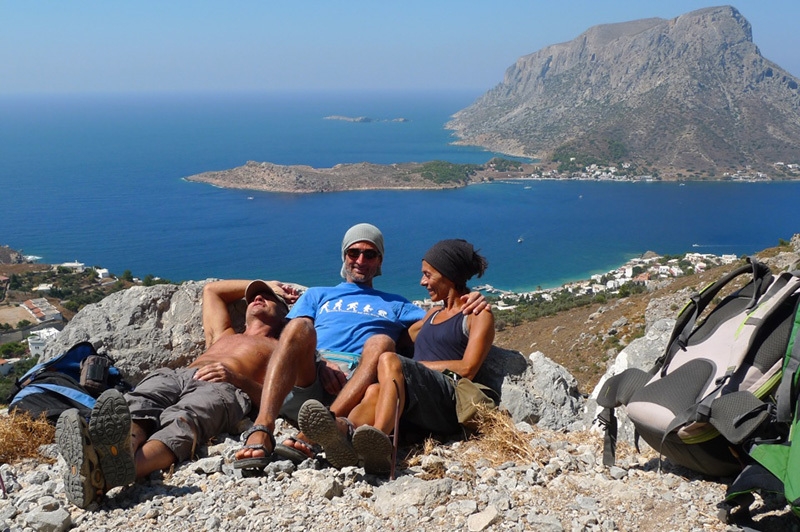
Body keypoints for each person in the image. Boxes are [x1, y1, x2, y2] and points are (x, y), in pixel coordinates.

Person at [234, 223, 489, 470]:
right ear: (344, 256)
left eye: (370, 254)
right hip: (310, 375)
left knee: (381, 341)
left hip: (357, 384)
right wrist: (319, 362)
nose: (360, 260)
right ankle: (263, 427)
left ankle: (321, 428)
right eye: (353, 252)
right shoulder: (317, 294)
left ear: (379, 261)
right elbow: (288, 341)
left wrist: (472, 297)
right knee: (299, 327)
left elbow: (443, 322)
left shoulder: (397, 304)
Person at [55, 279, 296, 508]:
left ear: (285, 312)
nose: (258, 298)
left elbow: (276, 399)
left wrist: (235, 378)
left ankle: (105, 478)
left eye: (269, 297)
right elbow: (212, 291)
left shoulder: (279, 349)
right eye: (254, 296)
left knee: (183, 422)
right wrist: (266, 284)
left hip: (226, 388)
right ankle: (116, 453)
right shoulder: (225, 334)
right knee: (138, 403)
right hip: (178, 375)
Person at [298, 239, 495, 474]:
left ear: (448, 275)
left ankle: (381, 443)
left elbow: (468, 368)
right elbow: (391, 332)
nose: (422, 282)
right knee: (374, 389)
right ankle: (343, 432)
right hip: (416, 401)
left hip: (449, 399)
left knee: (389, 361)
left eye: (428, 275)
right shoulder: (431, 315)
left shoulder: (476, 315)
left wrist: (410, 367)